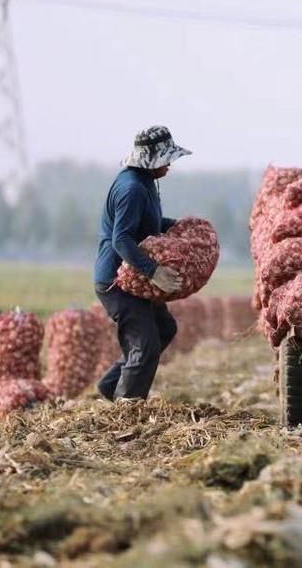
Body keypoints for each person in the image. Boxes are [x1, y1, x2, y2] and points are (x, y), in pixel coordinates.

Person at [93, 125, 191, 401]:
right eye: (166, 158)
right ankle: (127, 408)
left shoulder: (146, 182)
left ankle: (111, 385)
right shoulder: (132, 188)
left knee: (164, 328)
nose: (170, 164)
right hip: (117, 281)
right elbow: (122, 240)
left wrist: (178, 226)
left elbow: (145, 225)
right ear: (151, 159)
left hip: (134, 279)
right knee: (145, 346)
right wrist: (154, 271)